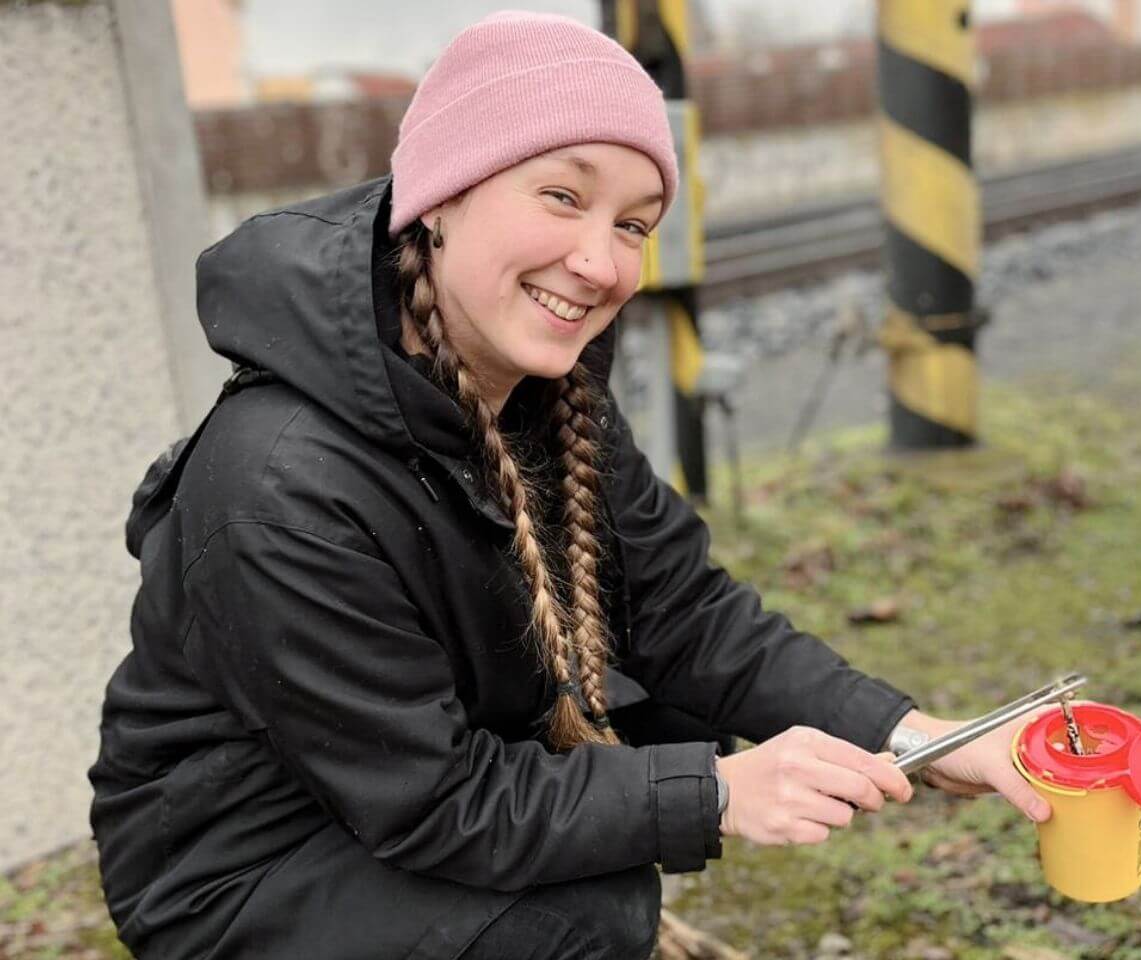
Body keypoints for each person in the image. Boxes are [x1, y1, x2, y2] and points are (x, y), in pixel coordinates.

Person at [88, 12, 1050, 960]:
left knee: (681, 714)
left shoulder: (549, 395)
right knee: (580, 915)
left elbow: (688, 617)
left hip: (384, 791)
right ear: (442, 196)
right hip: (243, 871)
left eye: (633, 223)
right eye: (560, 195)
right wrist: (718, 794)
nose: (600, 262)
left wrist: (919, 735)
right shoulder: (280, 484)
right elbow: (431, 799)